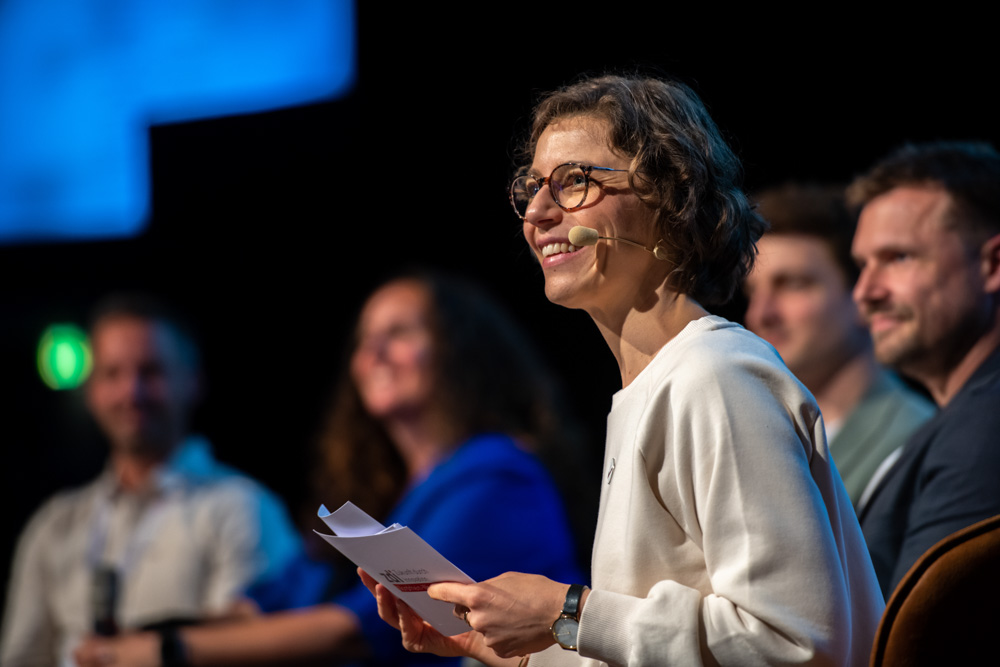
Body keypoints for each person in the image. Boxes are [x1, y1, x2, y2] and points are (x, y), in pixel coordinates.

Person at [364, 74, 884, 666]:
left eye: (574, 182)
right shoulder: (653, 388)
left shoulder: (714, 376)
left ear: (670, 196)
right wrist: (499, 646)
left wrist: (569, 612)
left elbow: (794, 643)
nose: (537, 213)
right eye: (532, 188)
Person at [74, 272, 582, 666]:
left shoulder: (499, 475)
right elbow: (273, 599)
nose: (374, 352)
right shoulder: (385, 495)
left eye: (399, 332)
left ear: (459, 352)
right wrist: (145, 637)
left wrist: (167, 653)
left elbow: (359, 630)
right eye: (365, 339)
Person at [0, 294, 301, 667]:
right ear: (92, 391)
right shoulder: (55, 524)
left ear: (191, 382)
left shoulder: (243, 507)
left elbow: (254, 649)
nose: (132, 392)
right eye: (112, 374)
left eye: (151, 372)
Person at [849, 141, 1000, 598]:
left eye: (899, 257)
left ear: (993, 265)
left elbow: (923, 641)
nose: (865, 292)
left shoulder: (985, 427)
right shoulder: (961, 419)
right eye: (862, 265)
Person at [744, 183, 935, 509]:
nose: (761, 314)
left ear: (861, 295)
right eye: (751, 293)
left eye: (792, 284)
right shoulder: (757, 433)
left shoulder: (916, 442)